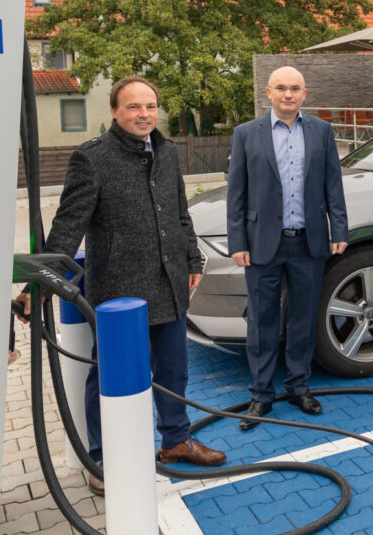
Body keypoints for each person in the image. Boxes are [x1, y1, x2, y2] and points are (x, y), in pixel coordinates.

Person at [19, 76, 224, 496]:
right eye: (133, 107)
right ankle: (101, 457)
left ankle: (175, 441)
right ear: (114, 112)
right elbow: (68, 225)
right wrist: (36, 283)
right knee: (109, 377)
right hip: (118, 292)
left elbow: (179, 215)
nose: (144, 114)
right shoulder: (92, 159)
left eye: (150, 106)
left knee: (173, 369)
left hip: (169, 282)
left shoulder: (165, 152)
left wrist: (193, 258)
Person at [227, 66, 348, 429]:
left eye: (295, 88)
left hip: (308, 242)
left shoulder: (322, 131)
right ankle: (261, 395)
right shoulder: (246, 134)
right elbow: (237, 192)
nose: (288, 95)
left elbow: (333, 185)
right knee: (261, 323)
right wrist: (237, 241)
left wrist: (338, 228)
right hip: (262, 244)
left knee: (302, 320)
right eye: (281, 88)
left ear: (304, 94)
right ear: (268, 92)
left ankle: (298, 386)